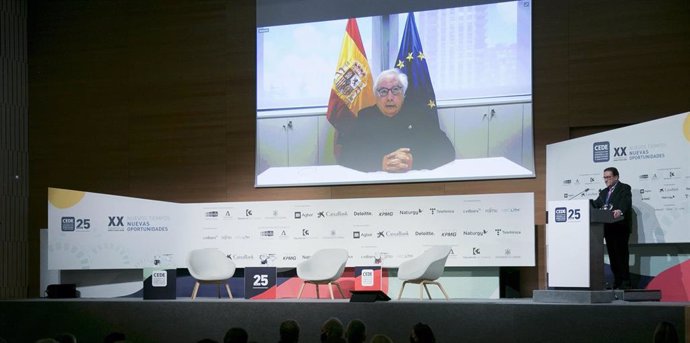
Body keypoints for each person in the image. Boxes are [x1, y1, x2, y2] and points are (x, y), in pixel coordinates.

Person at [338, 69, 455, 172]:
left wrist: (413, 161)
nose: (389, 97)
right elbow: (346, 157)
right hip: (377, 187)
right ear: (376, 96)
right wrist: (379, 163)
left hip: (414, 185)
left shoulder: (419, 115)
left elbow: (447, 151)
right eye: (383, 91)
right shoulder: (365, 117)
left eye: (395, 90)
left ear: (403, 94)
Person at [592, 167, 633, 289]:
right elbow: (596, 204)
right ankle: (617, 282)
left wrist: (620, 211)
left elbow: (625, 202)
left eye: (608, 177)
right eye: (604, 177)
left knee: (621, 256)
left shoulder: (624, 188)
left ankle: (625, 283)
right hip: (608, 229)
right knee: (613, 257)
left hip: (620, 228)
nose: (606, 180)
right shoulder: (603, 192)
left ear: (616, 177)